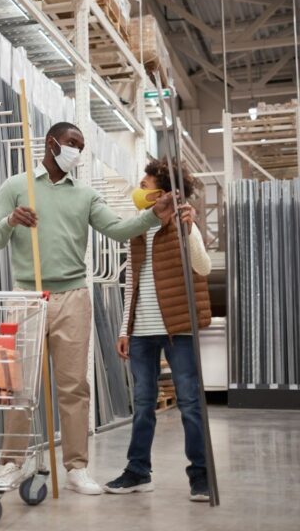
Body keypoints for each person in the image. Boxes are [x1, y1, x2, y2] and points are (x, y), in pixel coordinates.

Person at [0, 122, 190, 496]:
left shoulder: (85, 194)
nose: (77, 151)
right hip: (27, 297)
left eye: (80, 146)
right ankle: (10, 462)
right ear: (51, 143)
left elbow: (116, 229)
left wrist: (153, 215)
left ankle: (77, 467)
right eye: (72, 143)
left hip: (73, 296)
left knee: (74, 387)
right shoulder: (16, 186)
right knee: (19, 385)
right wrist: (11, 219)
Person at [102, 160, 213, 502]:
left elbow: (203, 267)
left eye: (145, 182)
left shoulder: (184, 222)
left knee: (191, 402)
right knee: (143, 403)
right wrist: (125, 328)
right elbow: (132, 281)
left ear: (161, 191)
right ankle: (138, 471)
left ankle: (201, 476)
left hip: (176, 328)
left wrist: (190, 229)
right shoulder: (139, 226)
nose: (139, 185)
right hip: (141, 331)